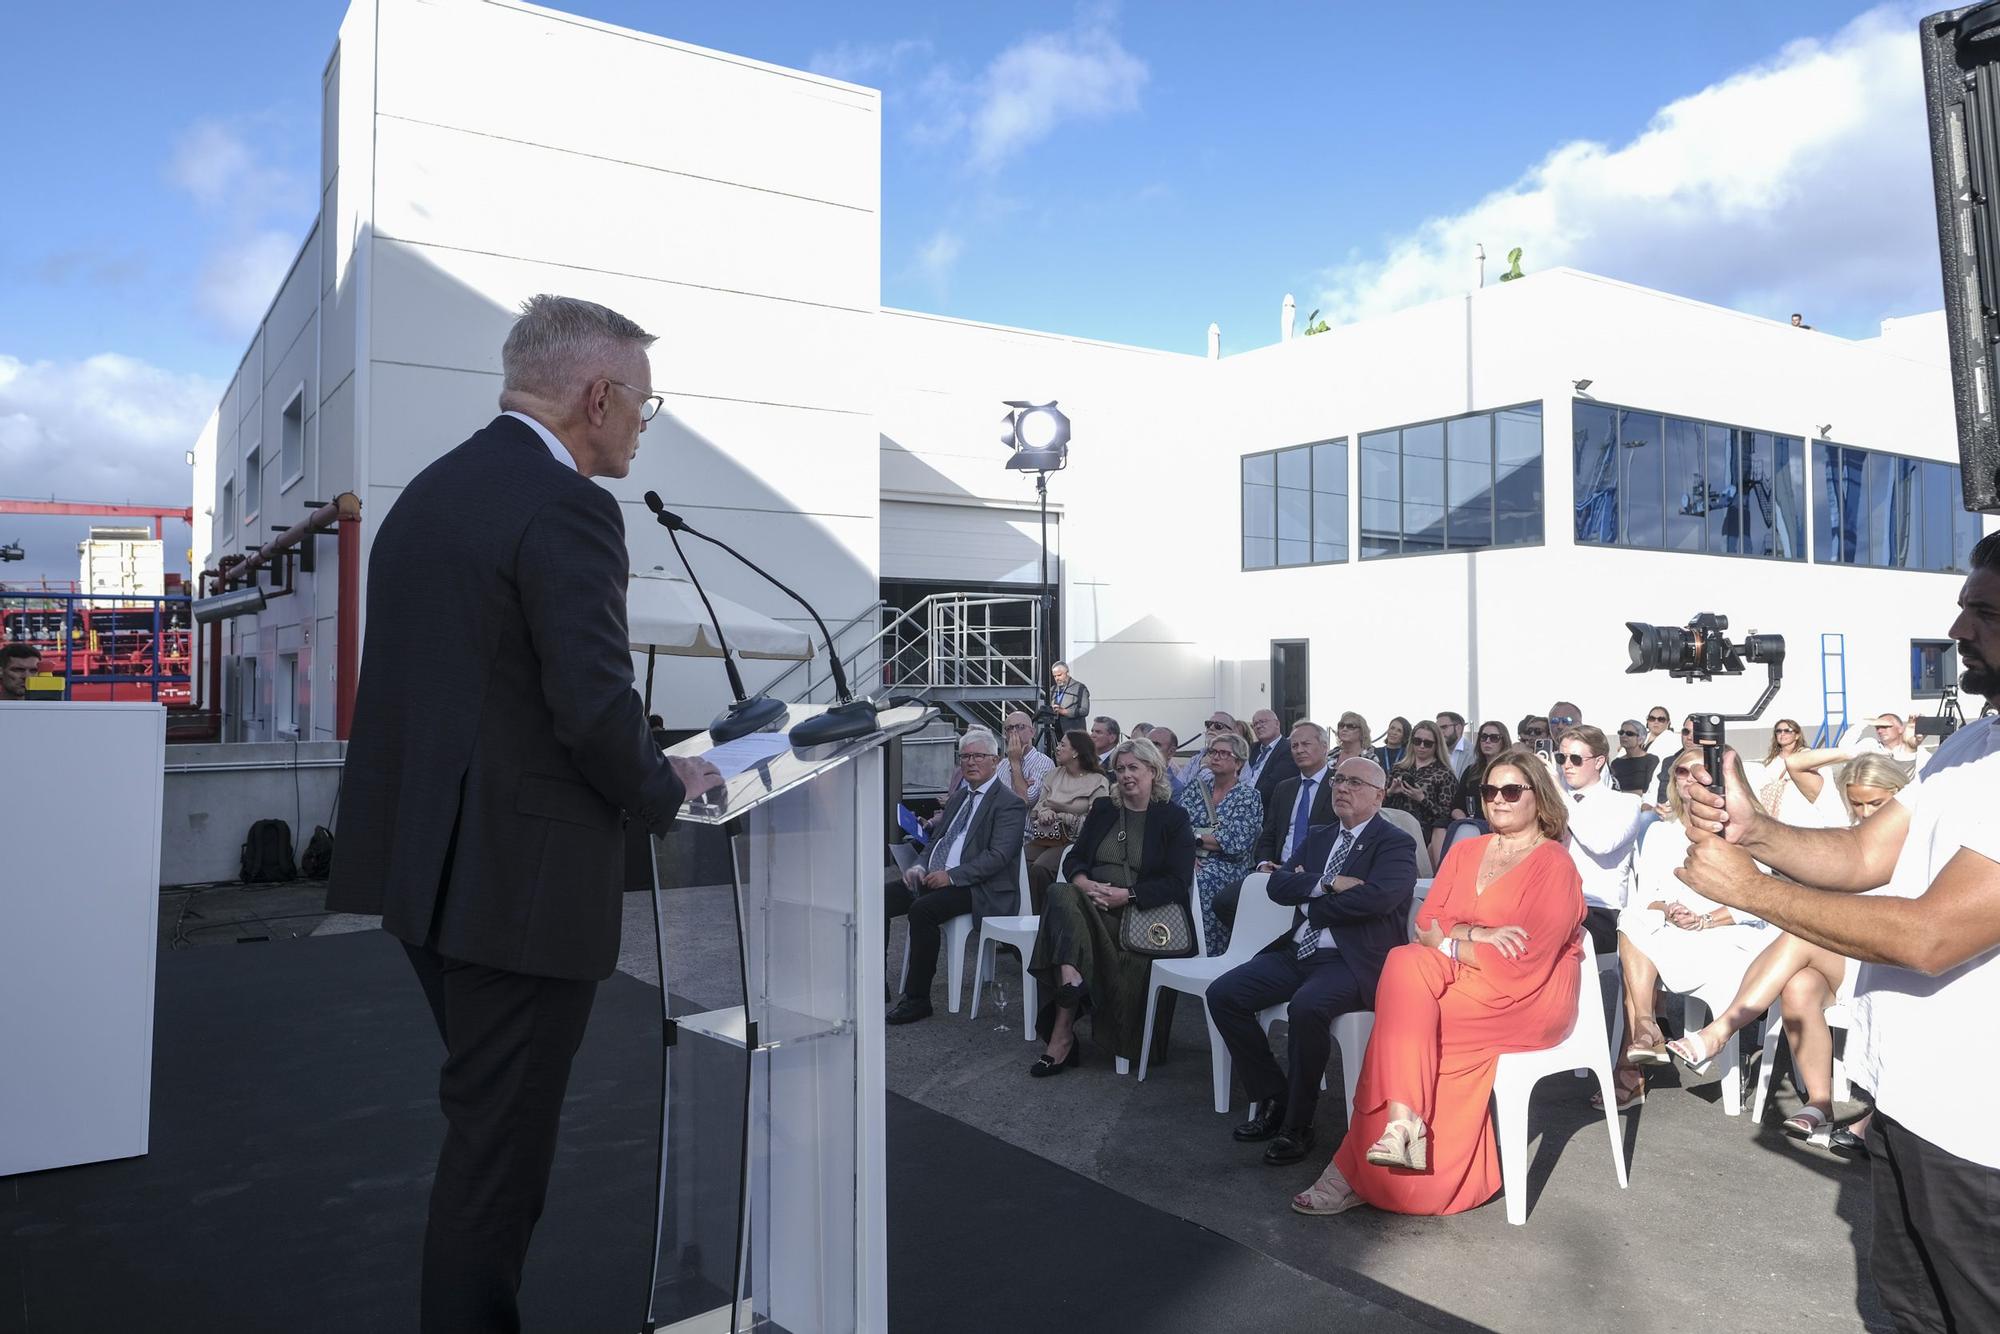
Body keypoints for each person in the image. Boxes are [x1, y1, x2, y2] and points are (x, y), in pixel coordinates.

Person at [325, 293, 724, 1331]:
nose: (644, 420)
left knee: (484, 1131)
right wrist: (661, 788)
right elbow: (592, 705)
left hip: (427, 869)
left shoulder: (429, 492)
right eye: (642, 401)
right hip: (518, 887)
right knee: (499, 1159)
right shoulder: (570, 507)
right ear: (598, 395)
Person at [1675, 531, 2000, 1331]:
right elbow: (1862, 852)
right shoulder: (1971, 745)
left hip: (1981, 1139)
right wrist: (1757, 831)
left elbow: (1930, 936)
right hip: (1908, 1106)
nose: (1958, 632)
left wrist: (1752, 890)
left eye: (1984, 613)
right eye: (1963, 609)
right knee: (1913, 1315)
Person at [1291, 748, 1584, 1217]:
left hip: (1530, 996)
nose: (1498, 800)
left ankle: (1356, 1172)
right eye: (1490, 791)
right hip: (1460, 976)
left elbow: (1523, 961)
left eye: (1511, 790)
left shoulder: (1554, 864)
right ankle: (1402, 1125)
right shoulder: (1467, 850)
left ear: (1539, 798)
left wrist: (1450, 938)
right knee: (1406, 962)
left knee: (1402, 1026)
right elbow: (1425, 922)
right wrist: (1477, 935)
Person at [1666, 753, 1912, 1154]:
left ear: (1900, 799)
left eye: (1877, 804)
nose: (1865, 813)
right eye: (1858, 804)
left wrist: (1850, 750)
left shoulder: (1922, 846)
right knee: (1798, 986)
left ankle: (1722, 1029)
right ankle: (1819, 1102)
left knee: (1805, 933)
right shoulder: (1850, 841)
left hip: (1892, 964)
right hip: (1846, 961)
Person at [1209, 757, 1417, 1164]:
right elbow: (1280, 886)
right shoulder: (1320, 836)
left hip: (1350, 961)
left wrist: (1316, 906)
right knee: (1224, 994)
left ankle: (1297, 1125)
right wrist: (1327, 883)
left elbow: (1381, 897)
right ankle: (1274, 1097)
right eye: (1339, 779)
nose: (1341, 788)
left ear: (1379, 795)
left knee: (1307, 1007)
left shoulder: (1394, 842)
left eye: (1354, 782)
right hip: (1298, 952)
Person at [1608, 748, 1772, 1110]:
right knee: (1632, 920)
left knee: (1637, 939)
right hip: (1671, 931)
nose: (1690, 778)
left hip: (1729, 934)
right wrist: (1669, 909)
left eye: (1701, 771)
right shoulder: (1660, 834)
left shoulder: (1744, 833)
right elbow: (1644, 899)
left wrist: (1705, 919)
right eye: (1681, 771)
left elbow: (1764, 905)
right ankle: (1647, 1026)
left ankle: (1633, 1063)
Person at [1026, 737, 1197, 1075]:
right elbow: (1075, 857)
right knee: (1061, 892)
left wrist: (1127, 895)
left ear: (1153, 770)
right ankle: (1072, 982)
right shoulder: (1105, 809)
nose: (1126, 775)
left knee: (1065, 917)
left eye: (1134, 767)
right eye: (1120, 769)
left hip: (1137, 914)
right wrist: (1084, 883)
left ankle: (1062, 1032)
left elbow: (1178, 882)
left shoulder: (1173, 818)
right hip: (1089, 902)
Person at [885, 727, 1028, 1024]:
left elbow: (998, 857)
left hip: (980, 887)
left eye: (978, 756)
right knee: (879, 899)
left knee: (922, 910)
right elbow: (937, 841)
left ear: (996, 760)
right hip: (937, 878)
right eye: (965, 756)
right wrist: (920, 867)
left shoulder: (1009, 803)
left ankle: (917, 999)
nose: (970, 762)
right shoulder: (960, 796)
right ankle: (875, 981)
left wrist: (951, 877)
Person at [1553, 724, 1645, 956]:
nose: (1566, 765)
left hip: (1598, 907)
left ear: (1599, 761)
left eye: (1575, 758)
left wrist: (1558, 793)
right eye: (1561, 757)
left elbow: (1600, 843)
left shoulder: (1625, 803)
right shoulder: (1554, 800)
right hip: (1552, 901)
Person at [1176, 729, 1263, 953]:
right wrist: (1190, 851)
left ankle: (1208, 953)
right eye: (1213, 752)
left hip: (1228, 867)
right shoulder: (1195, 790)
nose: (1216, 757)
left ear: (1239, 763)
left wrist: (1193, 837)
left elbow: (1235, 842)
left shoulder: (1247, 796)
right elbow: (1176, 828)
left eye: (1225, 753)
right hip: (1189, 860)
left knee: (1204, 881)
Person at [1025, 730, 1110, 910]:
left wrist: (1062, 814)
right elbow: (1039, 806)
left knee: (1041, 868)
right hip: (1046, 836)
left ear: (1076, 752)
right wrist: (1044, 812)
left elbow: (1097, 822)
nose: (1057, 748)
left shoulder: (1098, 781)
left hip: (1074, 841)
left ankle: (1043, 919)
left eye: (1063, 745)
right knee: (1017, 860)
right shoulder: (1054, 775)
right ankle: (1018, 914)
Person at [1252, 721, 1335, 869]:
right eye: (1294, 746)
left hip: (1317, 873)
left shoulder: (1338, 786)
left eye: (1306, 744)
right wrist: (1264, 864)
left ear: (1324, 747)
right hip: (1277, 869)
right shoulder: (1283, 789)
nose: (1299, 750)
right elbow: (1269, 835)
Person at [1383, 718, 1457, 857]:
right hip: (1392, 828)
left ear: (1437, 745)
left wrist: (1422, 799)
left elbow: (1445, 816)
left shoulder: (1444, 774)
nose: (1421, 746)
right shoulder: (1399, 768)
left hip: (1423, 834)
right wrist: (1391, 792)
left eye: (1427, 743)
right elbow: (1378, 803)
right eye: (1417, 741)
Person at [998, 710, 1054, 806]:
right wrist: (1020, 785)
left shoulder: (1043, 762)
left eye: (1020, 727)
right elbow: (991, 797)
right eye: (1010, 728)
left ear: (1032, 732)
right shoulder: (1002, 764)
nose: (1014, 731)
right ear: (1005, 735)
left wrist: (1015, 762)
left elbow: (1025, 800)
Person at [1249, 708, 1299, 803]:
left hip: (1265, 807)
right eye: (1255, 724)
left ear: (1277, 723)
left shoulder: (1288, 749)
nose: (1258, 726)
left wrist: (1247, 799)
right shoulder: (1252, 749)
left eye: (1262, 722)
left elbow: (1274, 785)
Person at [1609, 720, 1658, 796]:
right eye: (1621, 732)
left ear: (1640, 739)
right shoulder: (1616, 763)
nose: (1623, 736)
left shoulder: (1651, 760)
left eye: (1629, 734)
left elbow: (1649, 790)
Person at [1048, 661, 1090, 726]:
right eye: (1054, 676)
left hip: (1074, 730)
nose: (1057, 678)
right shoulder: (1053, 689)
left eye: (1059, 675)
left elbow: (1085, 711)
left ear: (1067, 673)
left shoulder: (1080, 687)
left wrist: (1064, 711)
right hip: (1056, 729)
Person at [1151, 725, 1187, 798]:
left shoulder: (1176, 788)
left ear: (1171, 752)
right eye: (1147, 743)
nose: (1149, 748)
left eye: (1156, 745)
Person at [1436, 711, 1473, 776]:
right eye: (1437, 729)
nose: (1440, 732)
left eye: (1444, 727)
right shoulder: (1435, 751)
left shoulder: (1473, 753)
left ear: (1458, 728)